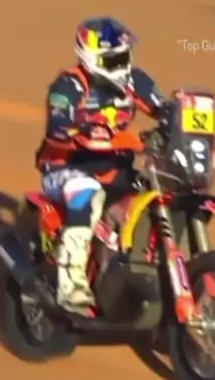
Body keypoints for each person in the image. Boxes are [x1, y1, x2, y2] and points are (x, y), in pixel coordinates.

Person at [35, 16, 166, 314]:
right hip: (66, 168)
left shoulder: (135, 81)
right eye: (113, 59)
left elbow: (164, 108)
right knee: (87, 193)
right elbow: (56, 127)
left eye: (124, 56)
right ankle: (71, 286)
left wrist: (181, 117)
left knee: (151, 200)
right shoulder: (69, 85)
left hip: (115, 170)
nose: (122, 65)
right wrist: (81, 130)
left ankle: (135, 280)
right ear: (90, 58)